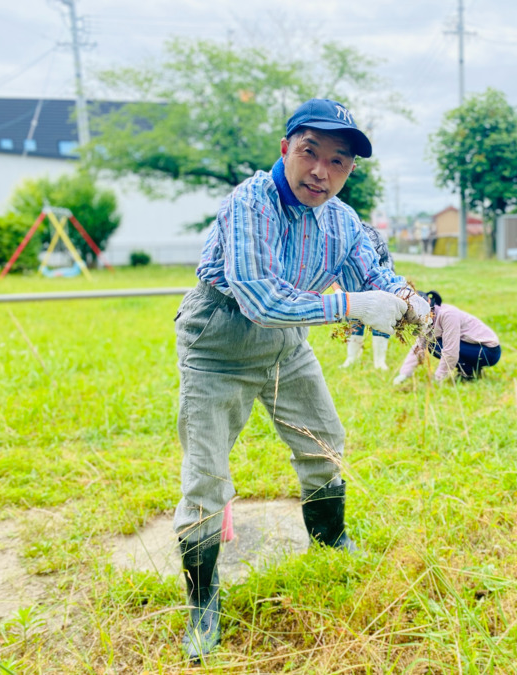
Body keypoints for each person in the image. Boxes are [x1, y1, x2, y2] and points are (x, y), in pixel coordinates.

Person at [172, 98, 430, 662]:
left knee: (324, 440)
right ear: (286, 147)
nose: (321, 171)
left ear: (350, 170)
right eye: (310, 152)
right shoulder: (251, 202)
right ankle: (203, 600)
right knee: (206, 475)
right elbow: (260, 297)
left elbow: (375, 272)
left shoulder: (341, 219)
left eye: (338, 162)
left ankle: (330, 538)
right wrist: (349, 304)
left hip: (288, 346)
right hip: (218, 343)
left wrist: (413, 304)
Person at [393, 290, 500, 385]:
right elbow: (418, 347)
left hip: (489, 351)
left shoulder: (448, 315)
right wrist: (404, 374)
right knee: (433, 344)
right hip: (471, 347)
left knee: (435, 345)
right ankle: (472, 371)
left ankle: (468, 374)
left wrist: (437, 379)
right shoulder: (425, 320)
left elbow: (451, 351)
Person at [340, 222, 395, 370]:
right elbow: (334, 272)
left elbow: (382, 271)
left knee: (380, 317)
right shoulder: (339, 246)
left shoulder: (372, 241)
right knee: (354, 319)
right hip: (355, 284)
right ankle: (351, 358)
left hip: (380, 278)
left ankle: (379, 362)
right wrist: (339, 290)